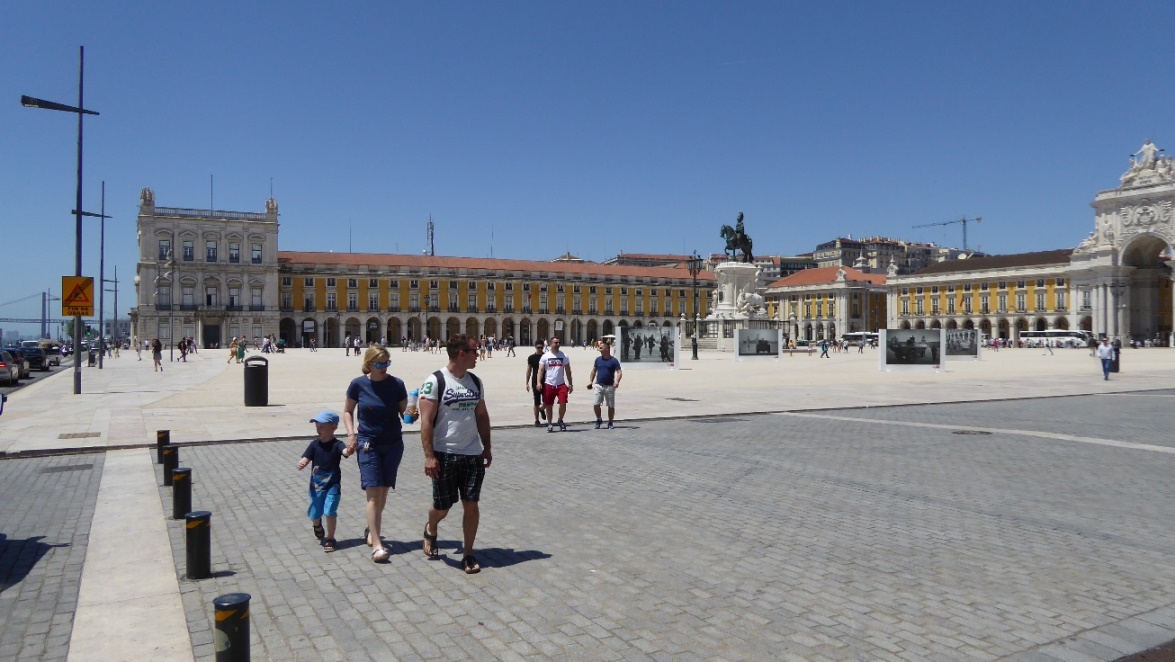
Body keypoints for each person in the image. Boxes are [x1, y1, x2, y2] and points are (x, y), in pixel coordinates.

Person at [418, 334, 492, 574]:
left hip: (471, 453)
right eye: (474, 350)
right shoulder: (435, 381)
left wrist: (487, 447)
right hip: (444, 452)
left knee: (471, 505)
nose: (478, 355)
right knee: (442, 507)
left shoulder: (476, 382)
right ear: (462, 353)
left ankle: (468, 553)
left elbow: (481, 415)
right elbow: (426, 421)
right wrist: (429, 456)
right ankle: (431, 526)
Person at [343, 345, 408, 563]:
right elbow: (347, 411)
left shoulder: (397, 384)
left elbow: (405, 415)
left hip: (393, 443)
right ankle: (378, 545)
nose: (383, 368)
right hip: (368, 443)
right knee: (373, 492)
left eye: (386, 363)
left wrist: (413, 413)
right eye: (379, 364)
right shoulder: (358, 384)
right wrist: (351, 435)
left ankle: (372, 530)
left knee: (383, 492)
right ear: (369, 364)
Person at [297, 411, 353, 553]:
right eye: (317, 426)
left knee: (330, 510)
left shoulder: (337, 444)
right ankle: (317, 524)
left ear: (333, 428)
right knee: (315, 513)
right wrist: (303, 462)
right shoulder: (314, 444)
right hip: (316, 487)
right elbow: (306, 457)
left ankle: (331, 538)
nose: (318, 429)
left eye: (322, 426)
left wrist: (350, 450)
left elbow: (345, 452)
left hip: (332, 485)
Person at [539, 336, 573, 432]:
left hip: (561, 384)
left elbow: (568, 371)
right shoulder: (545, 356)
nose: (557, 344)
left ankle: (560, 420)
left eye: (558, 342)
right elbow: (540, 370)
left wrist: (570, 384)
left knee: (563, 403)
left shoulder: (564, 356)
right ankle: (550, 423)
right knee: (549, 405)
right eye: (555, 342)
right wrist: (538, 382)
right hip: (549, 384)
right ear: (550, 344)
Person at [589, 341, 622, 429]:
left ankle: (610, 422)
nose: (599, 348)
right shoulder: (598, 359)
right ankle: (599, 419)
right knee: (596, 404)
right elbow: (593, 371)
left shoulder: (614, 361)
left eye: (601, 347)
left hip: (610, 386)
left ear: (607, 349)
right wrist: (590, 381)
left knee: (610, 406)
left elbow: (619, 372)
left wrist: (617, 381)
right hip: (598, 385)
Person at [525, 341, 548, 427]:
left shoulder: (546, 356)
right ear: (535, 347)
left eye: (541, 348)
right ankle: (537, 420)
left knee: (547, 401)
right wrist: (526, 383)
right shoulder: (531, 358)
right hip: (535, 382)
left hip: (546, 381)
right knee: (536, 402)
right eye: (538, 348)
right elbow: (528, 371)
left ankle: (542, 409)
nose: (540, 349)